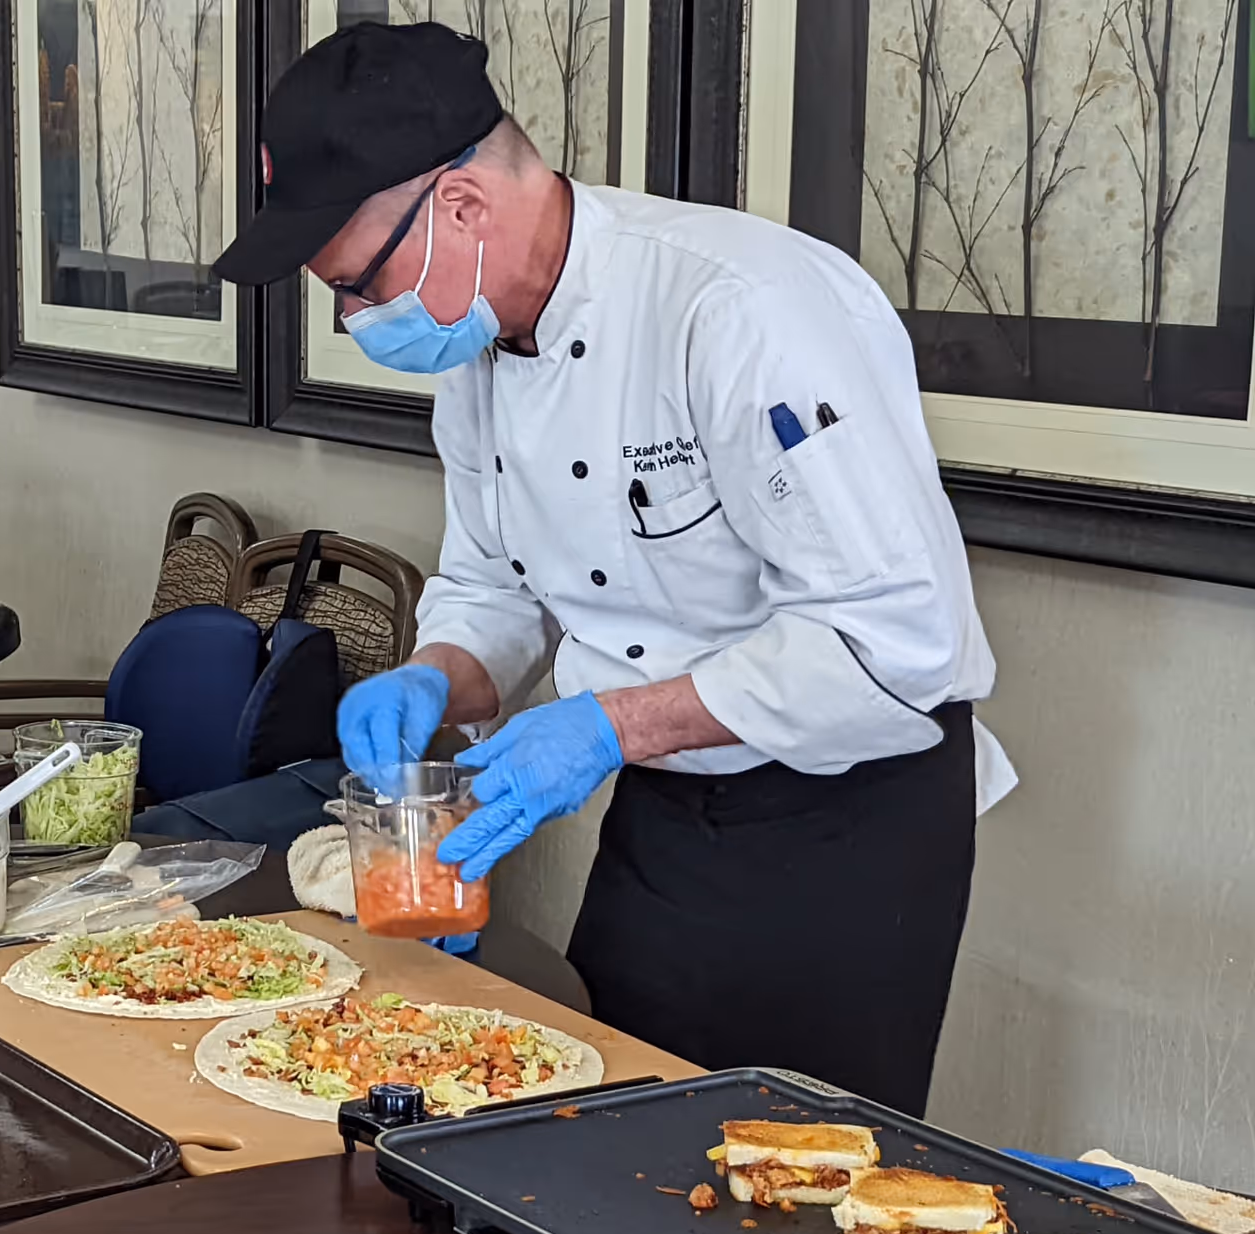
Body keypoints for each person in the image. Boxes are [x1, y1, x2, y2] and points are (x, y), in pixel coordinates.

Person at [212, 22, 1017, 1117]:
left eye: (358, 281)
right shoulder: (482, 339)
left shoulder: (740, 310)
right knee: (590, 1123)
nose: (354, 319)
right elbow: (496, 584)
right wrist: (439, 674)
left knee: (786, 1188)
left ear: (460, 206)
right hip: (667, 809)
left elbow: (894, 639)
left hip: (849, 826)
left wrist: (606, 728)